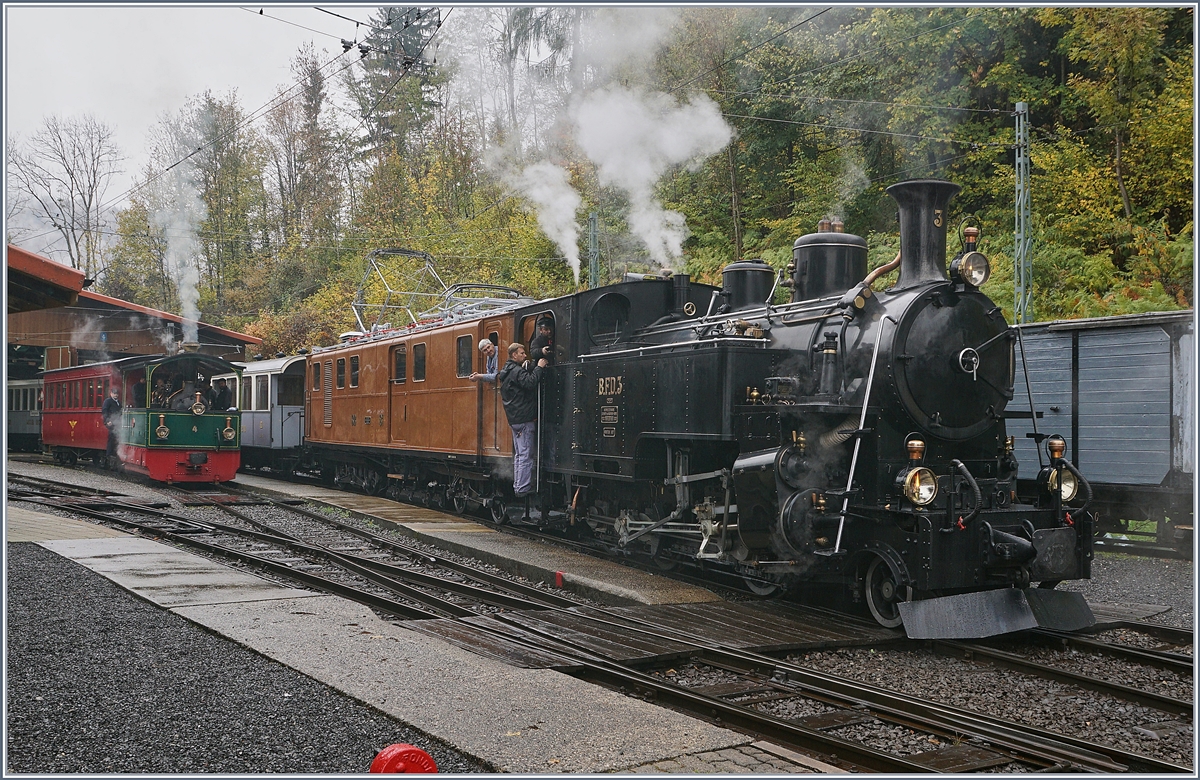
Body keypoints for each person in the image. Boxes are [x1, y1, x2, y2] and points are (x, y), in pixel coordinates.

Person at [497, 343, 548, 497]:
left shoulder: (506, 371)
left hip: (515, 418)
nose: (525, 355)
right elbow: (530, 382)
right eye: (522, 353)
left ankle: (518, 485)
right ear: (514, 355)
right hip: (524, 418)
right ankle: (522, 488)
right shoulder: (517, 371)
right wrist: (539, 367)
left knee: (520, 454)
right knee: (526, 454)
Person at [101, 386, 122, 466]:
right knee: (112, 435)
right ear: (111, 394)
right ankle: (109, 453)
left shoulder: (118, 402)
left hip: (117, 422)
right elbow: (104, 411)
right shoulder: (108, 401)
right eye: (114, 394)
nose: (116, 395)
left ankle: (116, 452)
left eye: (117, 394)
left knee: (118, 436)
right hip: (110, 422)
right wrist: (107, 420)